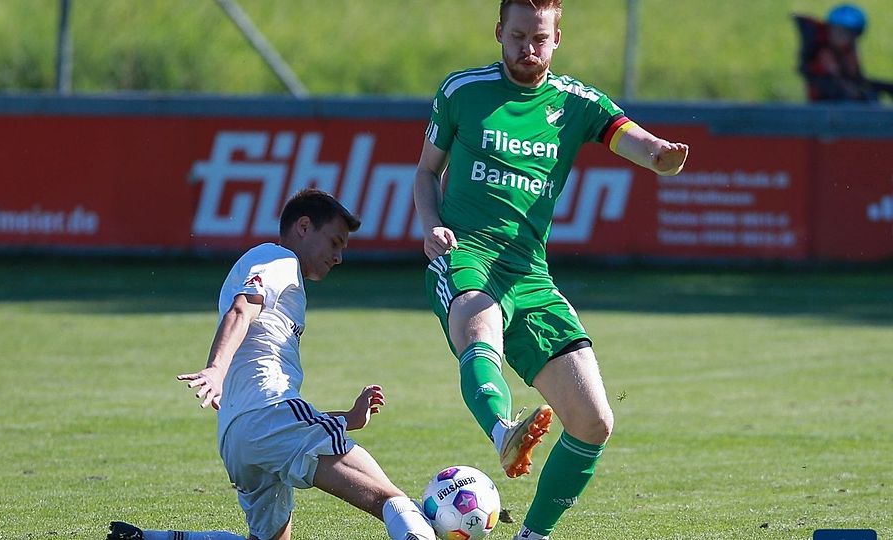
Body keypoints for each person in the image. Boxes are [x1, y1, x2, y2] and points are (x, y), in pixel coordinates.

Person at [412, 1, 689, 538]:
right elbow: (426, 173)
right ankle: (502, 432)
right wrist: (431, 225)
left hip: (531, 275)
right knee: (480, 330)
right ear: (499, 32)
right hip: (466, 253)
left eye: (539, 38)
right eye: (517, 37)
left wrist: (659, 154)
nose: (527, 49)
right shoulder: (462, 91)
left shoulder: (574, 102)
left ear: (557, 38)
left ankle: (533, 535)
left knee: (593, 421)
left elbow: (630, 137)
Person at [108, 189, 436, 540]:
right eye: (335, 242)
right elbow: (242, 308)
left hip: (237, 435)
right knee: (392, 500)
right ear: (304, 226)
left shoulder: (280, 273)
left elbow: (264, 393)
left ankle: (149, 538)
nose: (339, 256)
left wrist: (347, 419)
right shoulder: (277, 259)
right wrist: (216, 368)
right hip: (267, 414)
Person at [793, 3, 893, 102]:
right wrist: (856, 93)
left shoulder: (848, 54)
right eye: (836, 30)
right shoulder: (824, 55)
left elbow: (858, 80)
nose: (839, 36)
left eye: (846, 33)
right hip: (828, 107)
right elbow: (829, 85)